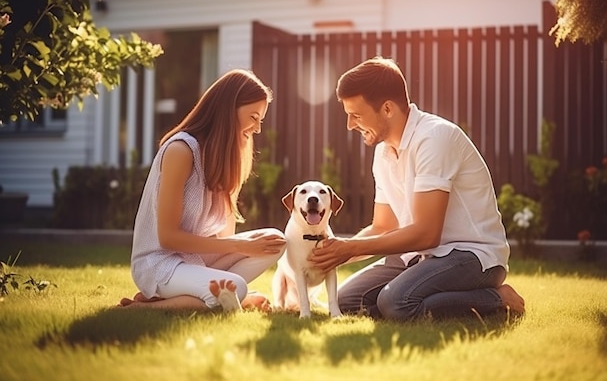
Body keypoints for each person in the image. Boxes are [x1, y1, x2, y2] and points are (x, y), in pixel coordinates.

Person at [309, 57, 525, 321]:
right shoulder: (384, 152)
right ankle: (423, 296)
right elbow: (383, 227)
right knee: (346, 301)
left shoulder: (434, 138)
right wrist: (331, 254)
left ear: (387, 109)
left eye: (356, 115)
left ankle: (497, 299)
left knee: (396, 303)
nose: (350, 125)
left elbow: (427, 234)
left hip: (472, 256)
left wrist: (349, 248)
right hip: (422, 258)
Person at [119, 69, 286, 312]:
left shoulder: (226, 155)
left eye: (260, 120)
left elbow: (224, 232)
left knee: (276, 240)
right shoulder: (181, 150)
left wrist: (237, 247)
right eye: (253, 117)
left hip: (194, 261)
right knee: (235, 287)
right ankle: (143, 309)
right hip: (160, 263)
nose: (257, 129)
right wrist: (238, 247)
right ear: (229, 109)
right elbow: (167, 238)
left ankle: (210, 295)